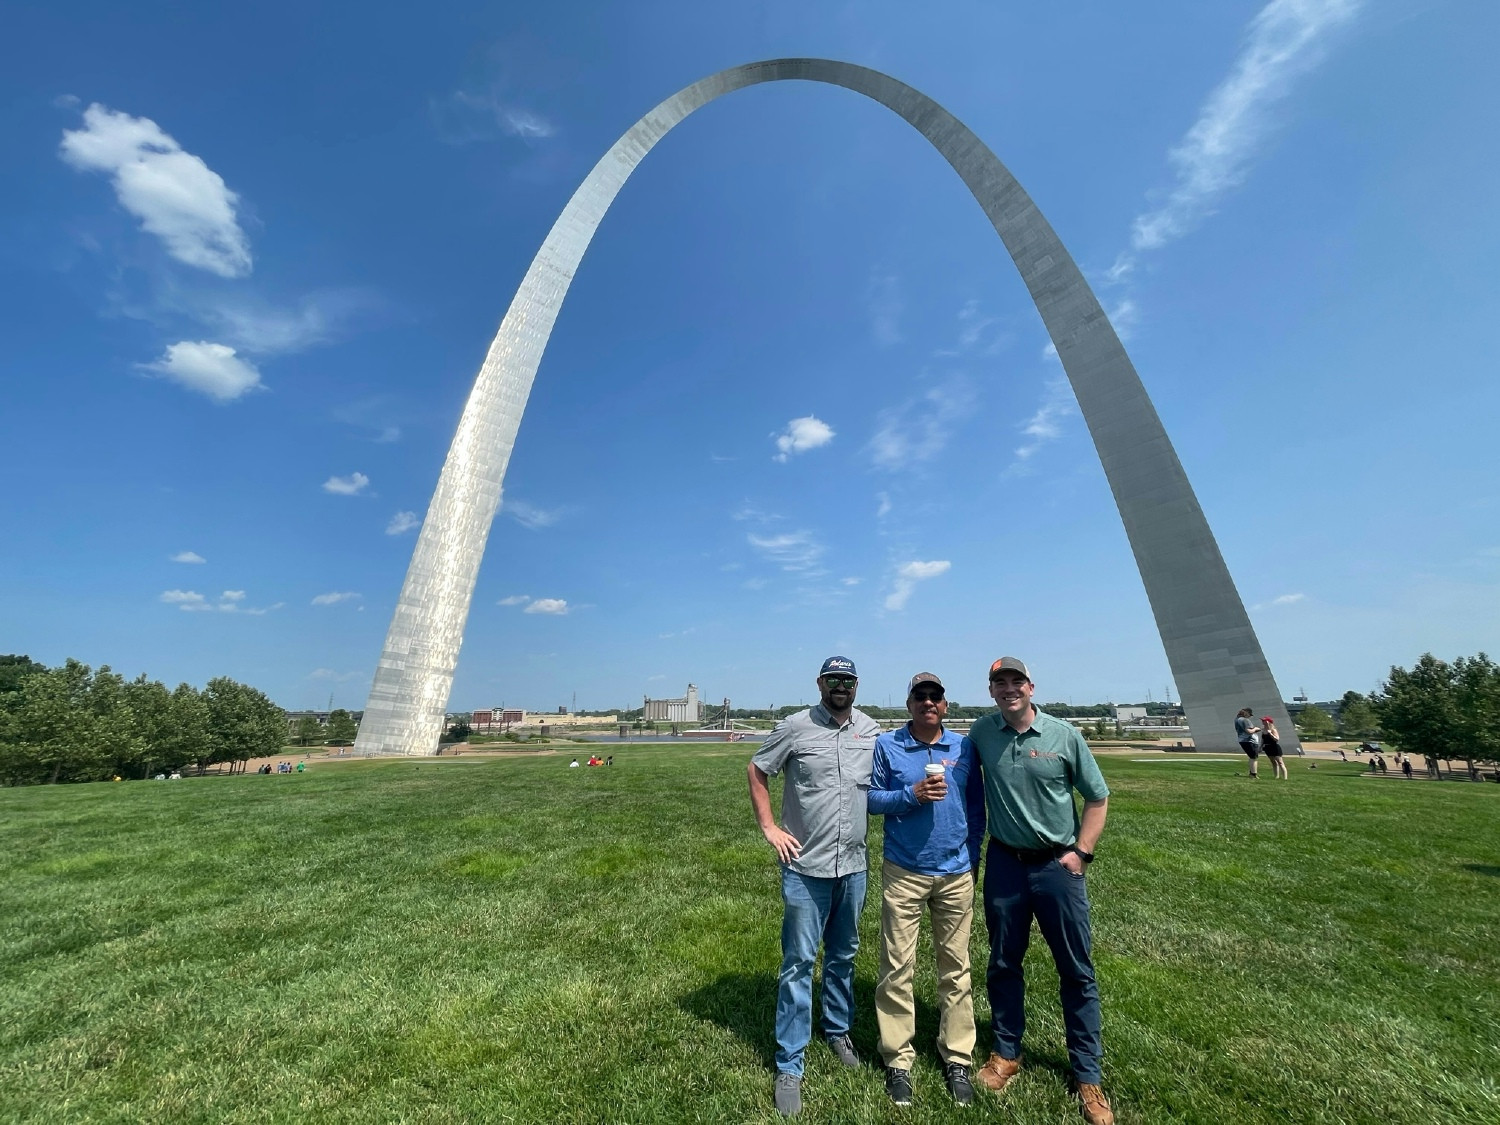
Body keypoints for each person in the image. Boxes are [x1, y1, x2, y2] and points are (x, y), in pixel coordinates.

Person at [968, 657, 1114, 1125]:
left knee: (1076, 969)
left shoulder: (1064, 735)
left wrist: (1081, 853)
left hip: (1057, 867)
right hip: (1006, 864)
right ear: (991, 691)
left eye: (1016, 681)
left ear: (1031, 687)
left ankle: (1087, 1075)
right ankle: (1007, 1053)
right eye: (999, 683)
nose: (1009, 689)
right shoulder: (982, 733)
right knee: (1004, 962)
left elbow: (1097, 796)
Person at [747, 656, 881, 1117]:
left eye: (848, 681)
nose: (841, 687)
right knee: (800, 962)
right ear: (821, 683)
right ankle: (789, 1063)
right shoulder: (795, 727)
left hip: (854, 866)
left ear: (856, 685)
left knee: (844, 955)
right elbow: (758, 769)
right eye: (833, 680)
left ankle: (838, 1029)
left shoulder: (870, 730)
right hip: (806, 867)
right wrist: (769, 826)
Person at [868, 673, 985, 1107]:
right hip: (905, 871)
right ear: (909, 704)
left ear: (946, 706)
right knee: (897, 968)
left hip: (955, 873)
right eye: (921, 696)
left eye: (935, 697)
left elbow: (976, 807)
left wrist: (972, 857)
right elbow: (871, 799)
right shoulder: (888, 746)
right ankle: (898, 1060)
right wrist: (911, 795)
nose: (928, 702)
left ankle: (957, 1058)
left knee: (956, 969)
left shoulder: (963, 747)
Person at [1234, 707, 1261, 778]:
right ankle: (1253, 774)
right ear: (1246, 713)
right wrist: (1256, 729)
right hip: (1249, 740)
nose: (1250, 716)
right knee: (1254, 758)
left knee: (1251, 757)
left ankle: (1252, 772)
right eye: (1250, 715)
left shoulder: (1237, 719)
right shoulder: (1245, 720)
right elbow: (1249, 731)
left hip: (1242, 740)